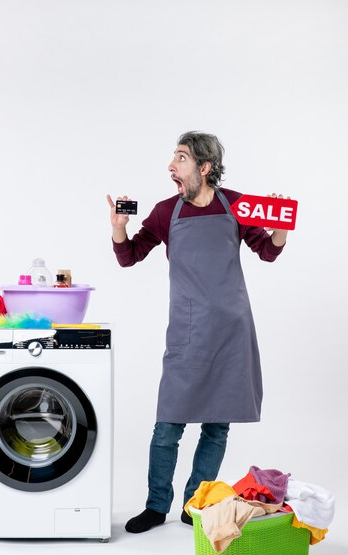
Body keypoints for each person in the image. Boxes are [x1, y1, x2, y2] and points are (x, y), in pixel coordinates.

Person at [107, 131, 289, 533]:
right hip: (188, 331)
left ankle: (194, 505)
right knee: (167, 425)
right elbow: (129, 256)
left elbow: (269, 250)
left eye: (182, 158)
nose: (172, 166)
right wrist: (119, 227)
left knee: (217, 425)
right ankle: (156, 506)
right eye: (174, 158)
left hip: (231, 331)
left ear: (205, 168)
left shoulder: (237, 205)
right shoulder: (164, 212)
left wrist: (280, 226)